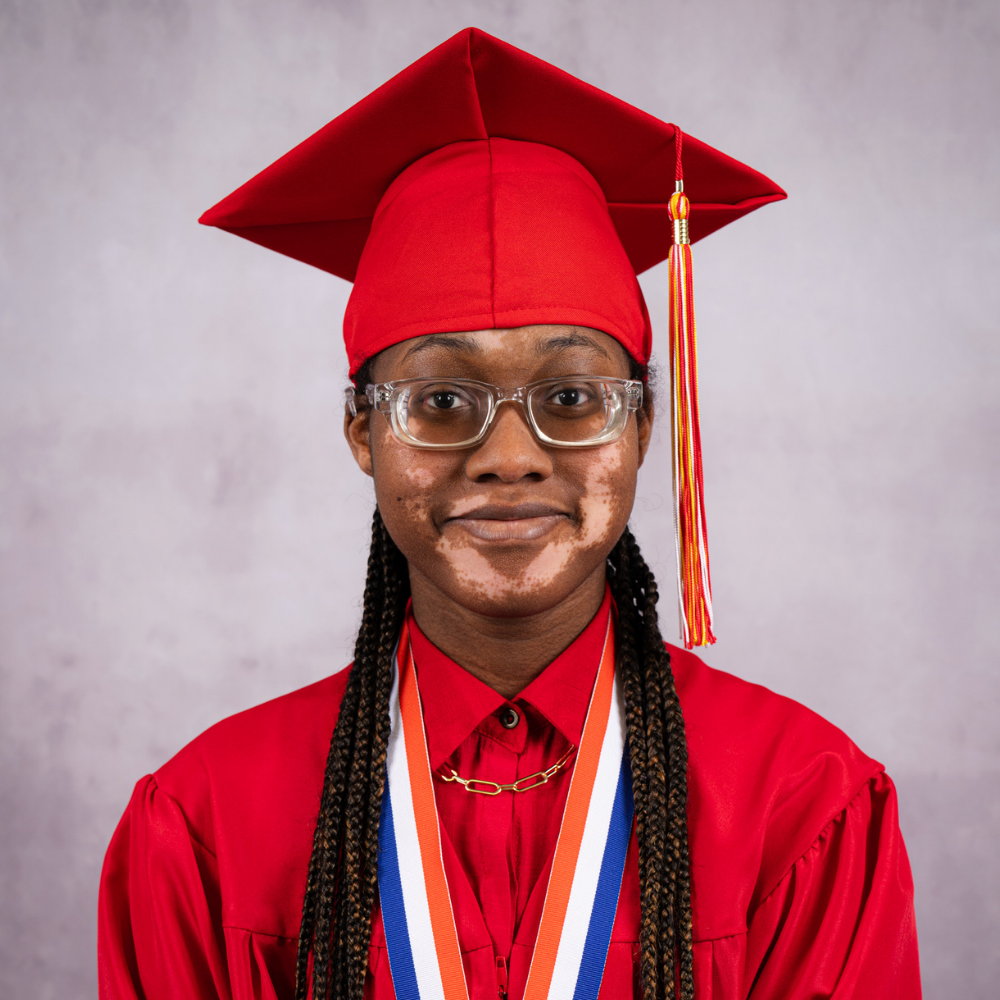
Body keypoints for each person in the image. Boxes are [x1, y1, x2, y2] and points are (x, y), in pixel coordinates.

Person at [97, 27, 922, 1000]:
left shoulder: (803, 805)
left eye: (571, 398)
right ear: (362, 432)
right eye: (440, 402)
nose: (507, 457)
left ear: (643, 424)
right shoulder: (208, 822)